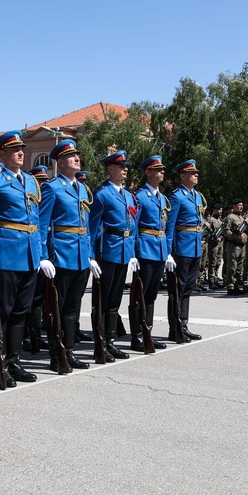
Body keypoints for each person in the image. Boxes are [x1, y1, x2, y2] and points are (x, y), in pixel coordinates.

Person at [0, 131, 43, 384]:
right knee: (3, 312)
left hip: (29, 254)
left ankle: (15, 361)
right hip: (6, 254)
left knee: (21, 312)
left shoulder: (31, 181)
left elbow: (36, 220)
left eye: (22, 149)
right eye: (14, 150)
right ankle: (1, 364)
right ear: (2, 154)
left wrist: (39, 254)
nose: (20, 153)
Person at [37, 139, 100, 372]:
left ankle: (69, 350)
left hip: (81, 255)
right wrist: (44, 256)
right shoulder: (51, 188)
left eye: (77, 155)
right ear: (60, 162)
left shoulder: (83, 189)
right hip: (61, 255)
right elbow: (43, 225)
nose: (77, 158)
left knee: (73, 307)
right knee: (57, 307)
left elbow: (87, 226)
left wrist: (91, 255)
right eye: (71, 156)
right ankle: (56, 353)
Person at [89, 150, 138, 360]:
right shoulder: (102, 194)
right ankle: (100, 342)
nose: (125, 169)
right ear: (110, 169)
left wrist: (133, 252)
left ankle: (110, 341)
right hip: (108, 250)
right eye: (121, 166)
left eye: (126, 166)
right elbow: (92, 228)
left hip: (124, 250)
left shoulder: (128, 195)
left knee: (115, 299)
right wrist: (91, 256)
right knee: (103, 298)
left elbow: (132, 225)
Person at [132, 155, 172, 351]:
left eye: (162, 169)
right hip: (145, 249)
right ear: (147, 172)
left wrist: (168, 252)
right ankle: (137, 336)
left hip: (160, 249)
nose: (161, 172)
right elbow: (134, 225)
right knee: (140, 294)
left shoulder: (162, 198)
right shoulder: (139, 196)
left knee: (151, 296)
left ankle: (148, 331)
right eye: (157, 169)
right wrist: (134, 251)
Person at [165, 159, 205, 342]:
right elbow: (170, 225)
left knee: (188, 288)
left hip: (195, 247)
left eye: (196, 173)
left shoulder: (197, 196)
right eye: (192, 173)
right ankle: (175, 328)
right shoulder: (177, 196)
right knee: (177, 289)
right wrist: (169, 251)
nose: (196, 175)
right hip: (181, 248)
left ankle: (184, 324)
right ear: (182, 176)